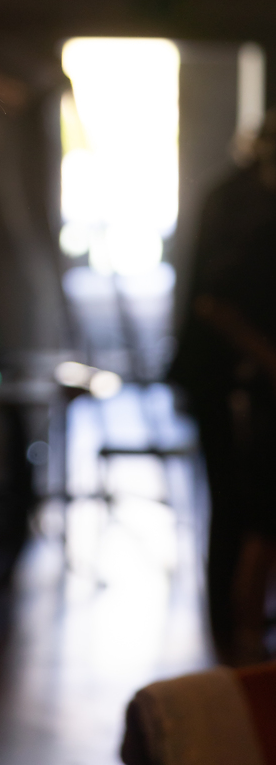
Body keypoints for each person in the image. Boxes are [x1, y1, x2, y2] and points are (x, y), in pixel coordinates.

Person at [170, 110, 276, 664]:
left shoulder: (242, 193)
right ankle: (234, 646)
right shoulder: (246, 202)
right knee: (245, 511)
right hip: (228, 380)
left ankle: (235, 639)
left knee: (245, 509)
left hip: (234, 378)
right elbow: (215, 303)